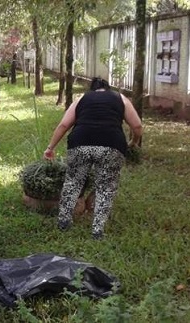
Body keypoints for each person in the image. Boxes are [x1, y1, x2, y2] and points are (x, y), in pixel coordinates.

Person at [43, 77, 143, 239]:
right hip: (112, 146)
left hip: (80, 143)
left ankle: (63, 221)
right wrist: (133, 142)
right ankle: (97, 231)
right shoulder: (120, 98)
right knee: (105, 187)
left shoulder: (82, 98)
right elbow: (137, 126)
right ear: (107, 88)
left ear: (92, 89)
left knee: (73, 182)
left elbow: (63, 125)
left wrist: (50, 148)